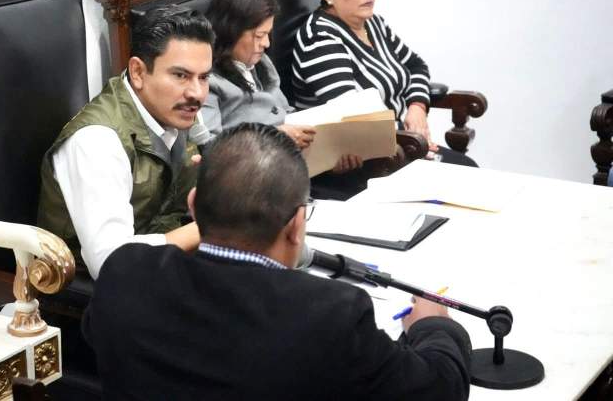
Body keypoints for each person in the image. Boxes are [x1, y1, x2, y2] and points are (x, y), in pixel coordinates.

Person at [83, 123, 472, 399]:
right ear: (297, 225)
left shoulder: (125, 273)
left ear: (193, 206)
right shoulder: (332, 315)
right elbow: (439, 389)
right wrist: (434, 327)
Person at [37, 6, 213, 278]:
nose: (197, 93)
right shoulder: (97, 141)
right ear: (138, 72)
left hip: (165, 263)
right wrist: (211, 228)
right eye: (181, 75)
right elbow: (111, 263)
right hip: (92, 288)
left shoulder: (178, 108)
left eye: (204, 77)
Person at [293, 0, 476, 166]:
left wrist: (417, 107)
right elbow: (356, 119)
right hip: (363, 157)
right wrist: (412, 141)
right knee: (466, 170)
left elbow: (416, 66)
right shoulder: (320, 38)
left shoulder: (372, 23)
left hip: (400, 143)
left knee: (468, 169)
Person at [201, 0, 361, 173]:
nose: (266, 44)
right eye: (259, 36)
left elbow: (285, 113)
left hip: (295, 169)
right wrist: (273, 136)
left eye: (268, 34)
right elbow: (210, 148)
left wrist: (329, 156)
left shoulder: (262, 64)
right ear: (231, 32)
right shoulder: (205, 80)